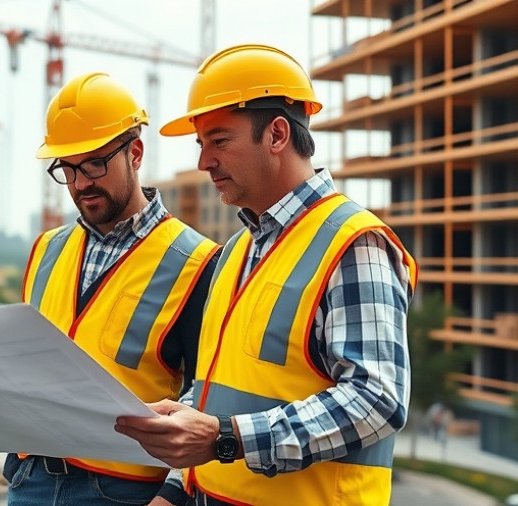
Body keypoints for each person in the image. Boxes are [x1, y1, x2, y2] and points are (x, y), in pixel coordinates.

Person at [0, 71, 220, 506]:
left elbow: (208, 403)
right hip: (29, 480)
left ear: (136, 153)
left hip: (126, 493)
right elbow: (14, 378)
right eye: (66, 169)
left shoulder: (198, 262)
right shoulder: (47, 250)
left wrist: (172, 497)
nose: (80, 182)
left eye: (94, 163)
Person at [115, 44, 418, 506]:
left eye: (219, 140)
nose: (204, 162)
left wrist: (227, 439)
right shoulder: (237, 251)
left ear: (277, 134)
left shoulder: (354, 244)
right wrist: (178, 486)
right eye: (201, 145)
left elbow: (376, 400)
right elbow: (223, 390)